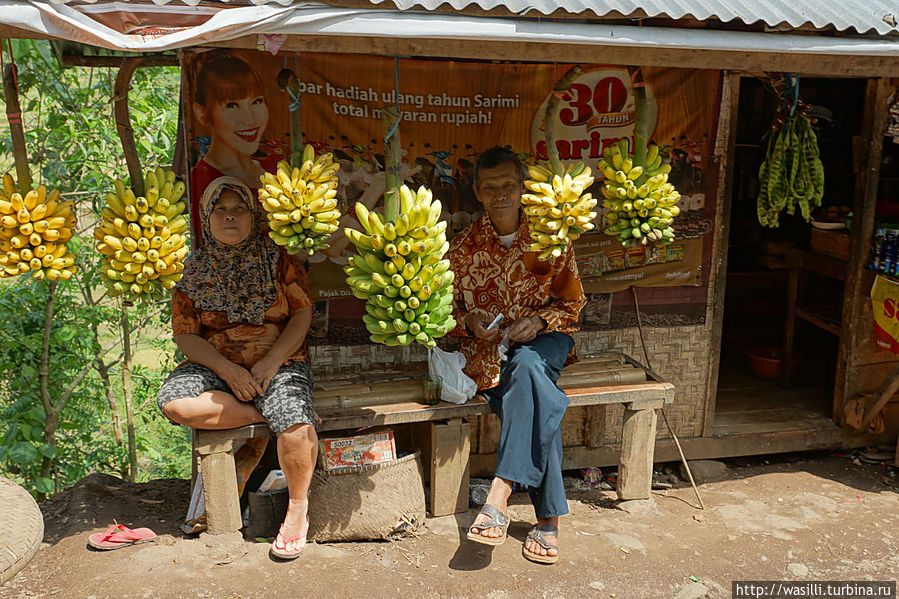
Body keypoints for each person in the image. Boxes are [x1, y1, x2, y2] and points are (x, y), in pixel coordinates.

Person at [156, 176, 317, 560]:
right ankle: (264, 413)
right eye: (220, 210)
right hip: (217, 366)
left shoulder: (280, 259)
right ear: (206, 218)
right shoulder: (190, 270)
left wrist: (271, 361)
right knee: (175, 403)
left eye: (239, 209)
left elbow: (302, 314)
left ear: (253, 214)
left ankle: (297, 510)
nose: (230, 217)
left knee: (296, 426)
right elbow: (186, 336)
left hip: (279, 362)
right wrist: (228, 371)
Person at [448, 146, 586, 565]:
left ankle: (500, 492)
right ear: (477, 192)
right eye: (490, 187)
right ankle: (548, 522)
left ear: (523, 187)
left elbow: (573, 305)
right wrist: (469, 321)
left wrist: (540, 321)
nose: (501, 195)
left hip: (548, 340)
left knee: (529, 365)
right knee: (537, 392)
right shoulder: (462, 248)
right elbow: (445, 313)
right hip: (491, 353)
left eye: (508, 185)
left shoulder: (551, 237)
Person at [189, 50, 278, 240]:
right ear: (201, 112)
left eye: (257, 101)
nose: (250, 119)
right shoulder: (200, 179)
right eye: (232, 105)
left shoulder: (276, 168)